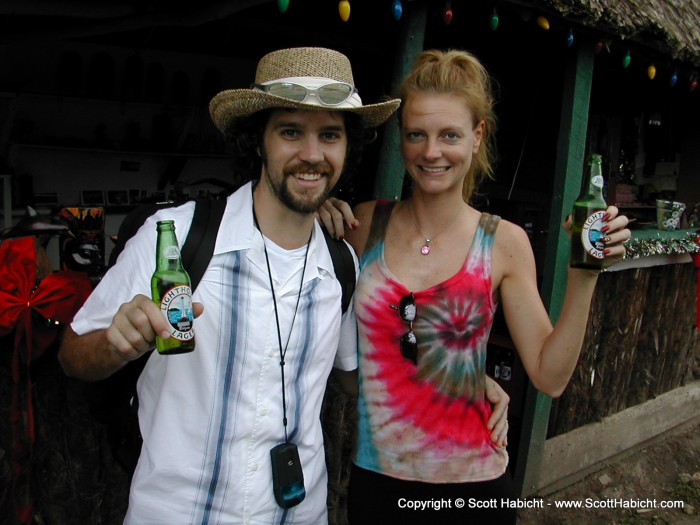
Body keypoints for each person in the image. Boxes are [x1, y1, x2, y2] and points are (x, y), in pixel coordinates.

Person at [57, 46, 403, 524]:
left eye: (330, 135)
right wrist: (116, 346)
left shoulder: (341, 265)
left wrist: (461, 382)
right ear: (257, 141)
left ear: (348, 149)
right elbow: (73, 355)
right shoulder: (176, 239)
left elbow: (352, 376)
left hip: (299, 513)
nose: (311, 154)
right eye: (290, 132)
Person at [318, 49, 631, 524]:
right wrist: (313, 215)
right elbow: (342, 359)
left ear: (477, 135)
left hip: (474, 490)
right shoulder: (362, 225)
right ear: (401, 140)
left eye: (449, 135)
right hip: (377, 484)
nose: (431, 152)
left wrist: (584, 276)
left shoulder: (503, 242)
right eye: (417, 135)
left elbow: (550, 375)